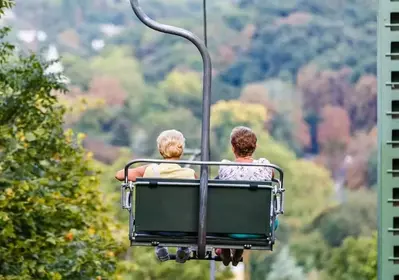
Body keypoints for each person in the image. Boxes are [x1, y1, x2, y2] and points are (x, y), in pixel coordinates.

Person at [115, 129, 196, 263]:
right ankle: (183, 246)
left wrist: (148, 167)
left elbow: (119, 175)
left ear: (160, 150)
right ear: (181, 151)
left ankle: (160, 244)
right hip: (183, 229)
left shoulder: (150, 170)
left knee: (159, 207)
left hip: (153, 228)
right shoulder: (190, 174)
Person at [215, 126, 278, 266]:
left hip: (228, 227)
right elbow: (272, 174)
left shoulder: (225, 167)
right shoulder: (264, 166)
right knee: (259, 215)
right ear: (254, 147)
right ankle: (239, 248)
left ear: (233, 148)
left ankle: (224, 247)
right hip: (258, 227)